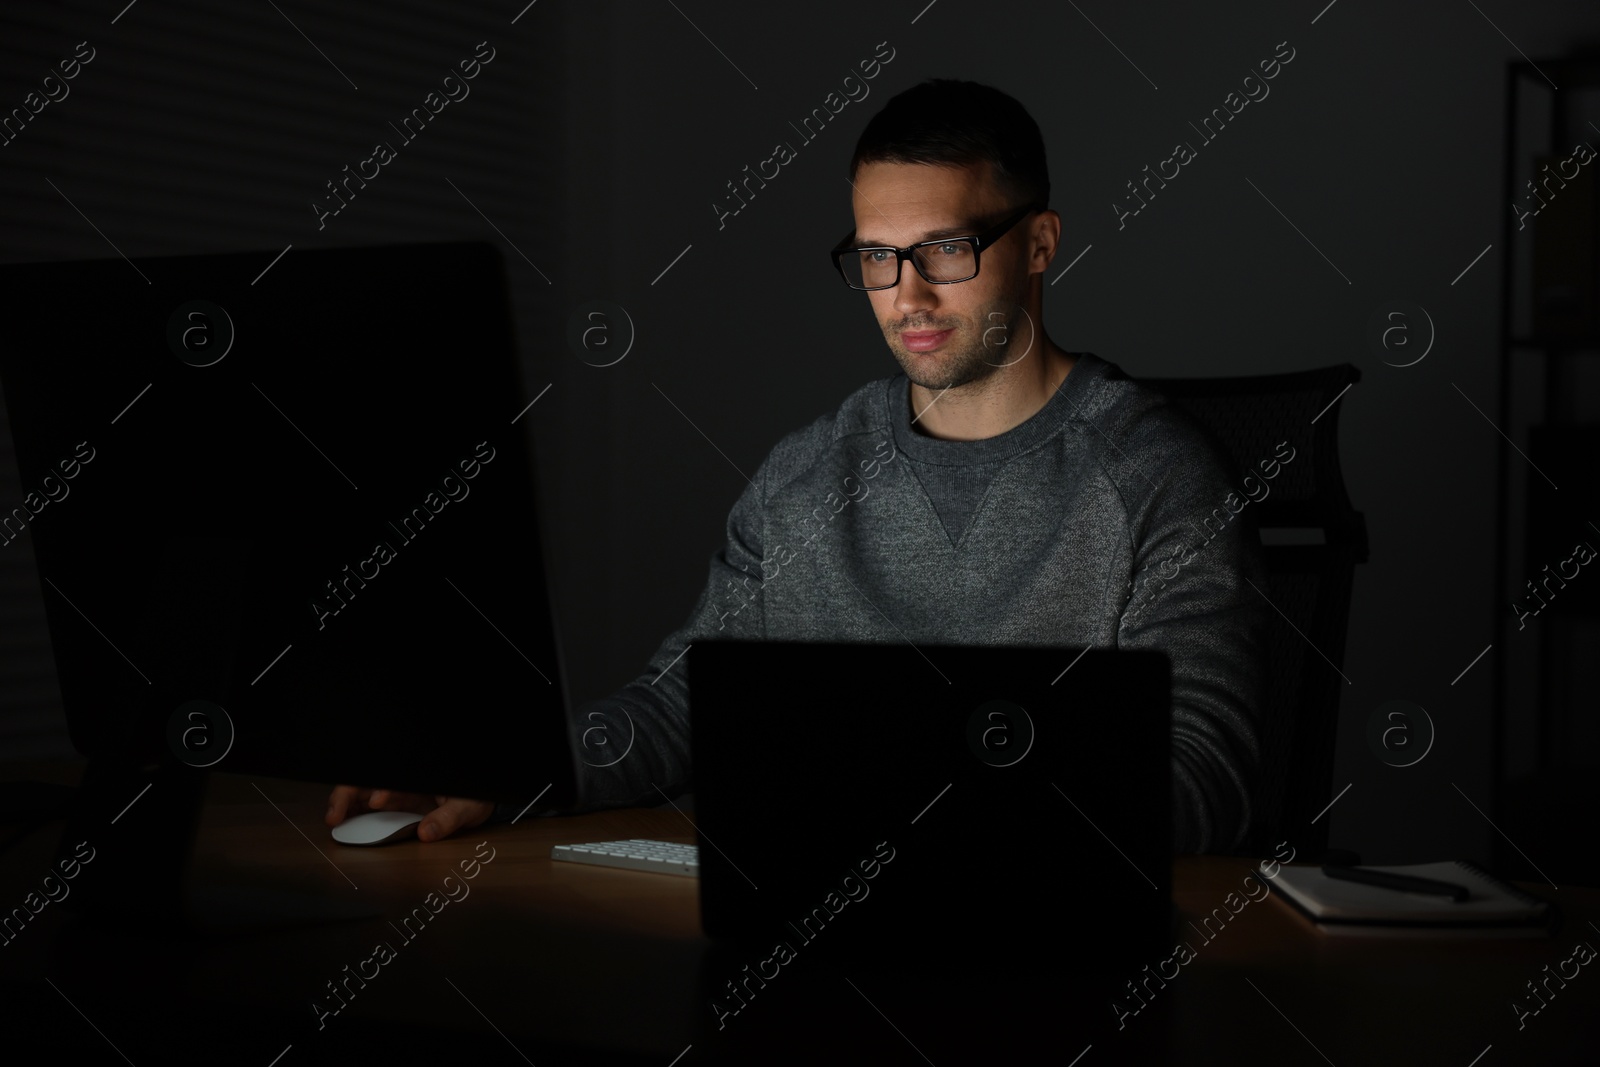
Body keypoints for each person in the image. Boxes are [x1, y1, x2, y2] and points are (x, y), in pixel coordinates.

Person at [328, 78, 1268, 854]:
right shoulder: (806, 476)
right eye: (876, 258)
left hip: (1051, 960)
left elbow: (1202, 780)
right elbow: (679, 704)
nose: (909, 296)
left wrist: (953, 823)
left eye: (945, 249)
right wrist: (508, 772)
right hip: (817, 947)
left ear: (1039, 244)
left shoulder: (1156, 477)